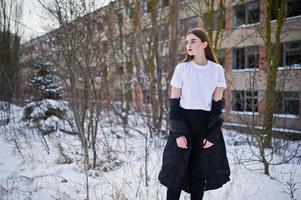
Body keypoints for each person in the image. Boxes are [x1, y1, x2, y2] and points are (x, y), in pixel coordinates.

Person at [158, 28, 230, 200]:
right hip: (183, 124)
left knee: (199, 176)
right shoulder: (182, 69)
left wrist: (212, 135)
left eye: (193, 41)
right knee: (176, 175)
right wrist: (179, 133)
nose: (188, 45)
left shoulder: (217, 70)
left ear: (204, 44)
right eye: (187, 41)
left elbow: (216, 106)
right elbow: (174, 104)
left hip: (204, 127)